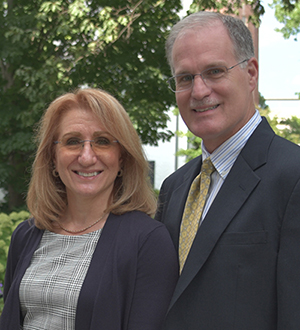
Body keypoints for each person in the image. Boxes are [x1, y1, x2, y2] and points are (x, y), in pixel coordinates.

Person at [155, 11, 300, 330]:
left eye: (214, 71)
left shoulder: (293, 176)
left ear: (251, 73)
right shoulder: (174, 187)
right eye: (185, 78)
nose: (199, 91)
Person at [0, 88, 178, 330]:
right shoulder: (26, 235)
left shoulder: (147, 242)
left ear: (122, 158)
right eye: (72, 141)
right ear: (53, 157)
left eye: (102, 141)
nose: (86, 157)